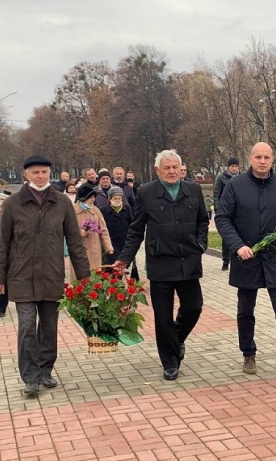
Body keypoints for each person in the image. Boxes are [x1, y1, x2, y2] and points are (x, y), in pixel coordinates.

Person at [0, 155, 91, 396]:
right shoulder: (14, 203)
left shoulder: (61, 202)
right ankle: (30, 377)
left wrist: (85, 277)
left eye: (44, 171)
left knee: (49, 327)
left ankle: (45, 370)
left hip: (51, 276)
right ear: (26, 175)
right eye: (35, 172)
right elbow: (1, 243)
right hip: (21, 276)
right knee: (27, 327)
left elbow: (75, 242)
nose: (40, 176)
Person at [215, 142, 276, 384]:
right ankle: (248, 352)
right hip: (246, 256)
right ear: (250, 158)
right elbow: (223, 218)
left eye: (266, 157)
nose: (262, 161)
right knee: (246, 309)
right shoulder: (235, 185)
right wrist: (238, 245)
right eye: (257, 157)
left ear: (272, 159)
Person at [112, 149, 209, 381]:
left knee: (194, 307)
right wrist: (124, 259)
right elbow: (136, 230)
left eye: (175, 167)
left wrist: (201, 244)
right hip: (160, 262)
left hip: (188, 259)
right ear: (158, 170)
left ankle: (175, 340)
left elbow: (203, 221)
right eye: (167, 167)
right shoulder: (146, 192)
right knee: (162, 315)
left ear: (181, 168)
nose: (172, 171)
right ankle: (170, 362)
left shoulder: (193, 190)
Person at [72, 184, 113, 281]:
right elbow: (65, 228)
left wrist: (108, 247)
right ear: (83, 198)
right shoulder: (72, 209)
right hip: (78, 249)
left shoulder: (96, 210)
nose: (92, 200)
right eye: (90, 198)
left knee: (94, 276)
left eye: (93, 198)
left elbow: (103, 229)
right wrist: (78, 232)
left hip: (94, 248)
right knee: (79, 278)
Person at [213, 156, 240, 270]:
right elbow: (216, 194)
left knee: (240, 235)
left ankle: (238, 259)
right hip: (226, 211)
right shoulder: (221, 178)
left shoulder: (243, 178)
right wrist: (218, 209)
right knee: (227, 237)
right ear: (228, 167)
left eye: (236, 166)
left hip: (239, 212)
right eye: (232, 166)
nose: (234, 169)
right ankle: (226, 260)